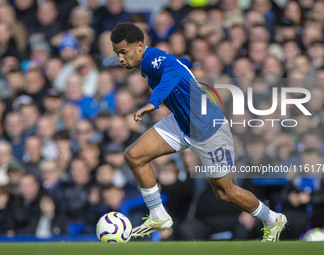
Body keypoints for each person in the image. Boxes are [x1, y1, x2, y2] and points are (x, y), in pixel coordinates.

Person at [110, 22, 287, 241]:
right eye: (117, 53)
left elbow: (172, 70)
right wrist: (186, 65)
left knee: (226, 193)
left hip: (208, 129)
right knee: (133, 155)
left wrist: (153, 102)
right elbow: (178, 64)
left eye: (123, 52)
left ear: (139, 45)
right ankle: (158, 215)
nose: (120, 58)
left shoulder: (151, 59)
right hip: (181, 123)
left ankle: (272, 219)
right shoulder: (150, 61)